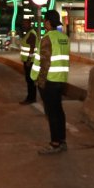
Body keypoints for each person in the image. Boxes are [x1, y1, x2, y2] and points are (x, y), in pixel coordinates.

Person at [32, 10, 69, 155]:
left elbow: (44, 63)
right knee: (59, 111)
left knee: (52, 113)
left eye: (45, 21)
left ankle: (55, 143)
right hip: (61, 79)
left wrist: (38, 80)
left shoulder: (47, 38)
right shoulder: (64, 38)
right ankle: (62, 140)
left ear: (47, 22)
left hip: (49, 81)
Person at [18, 19, 38, 105]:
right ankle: (31, 97)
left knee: (30, 81)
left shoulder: (32, 34)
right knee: (29, 80)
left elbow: (32, 48)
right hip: (27, 61)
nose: (24, 25)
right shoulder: (28, 33)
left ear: (30, 24)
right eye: (23, 23)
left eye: (25, 23)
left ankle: (31, 98)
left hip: (30, 62)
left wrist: (29, 60)